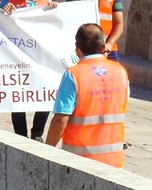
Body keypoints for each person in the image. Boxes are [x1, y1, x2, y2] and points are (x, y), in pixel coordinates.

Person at [45, 23, 130, 167]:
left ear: (77, 48)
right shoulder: (121, 72)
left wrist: (47, 150)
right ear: (103, 47)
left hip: (80, 160)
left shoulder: (73, 75)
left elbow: (61, 119)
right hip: (114, 159)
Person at [2, 0, 56, 139]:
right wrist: (3, 11)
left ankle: (37, 133)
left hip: (40, 58)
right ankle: (20, 135)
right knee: (18, 97)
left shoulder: (46, 1)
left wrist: (55, 11)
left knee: (47, 92)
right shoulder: (9, 0)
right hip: (17, 57)